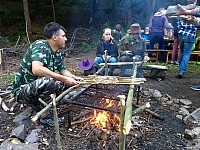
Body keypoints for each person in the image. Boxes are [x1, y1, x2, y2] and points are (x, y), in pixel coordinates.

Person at [12, 22, 83, 126]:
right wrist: (63, 79)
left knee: (67, 82)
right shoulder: (40, 45)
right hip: (22, 91)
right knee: (49, 80)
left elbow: (63, 71)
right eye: (63, 36)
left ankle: (45, 102)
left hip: (36, 88)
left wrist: (74, 77)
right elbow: (36, 69)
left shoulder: (56, 52)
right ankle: (45, 116)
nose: (66, 39)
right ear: (54, 37)